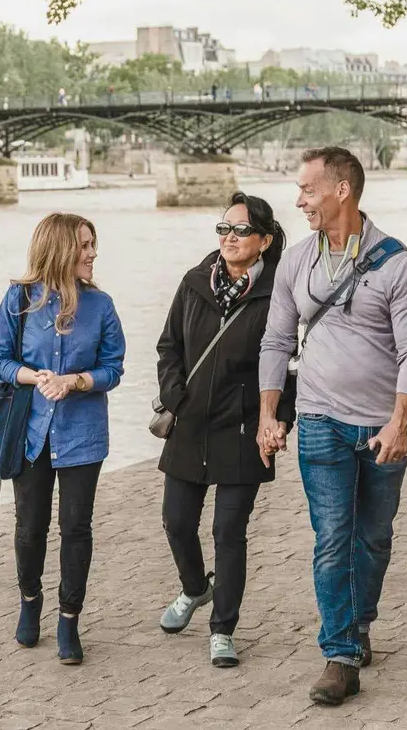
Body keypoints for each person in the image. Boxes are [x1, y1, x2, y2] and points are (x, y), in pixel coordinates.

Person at [258, 147, 407, 706]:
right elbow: (278, 341)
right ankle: (339, 653)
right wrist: (268, 415)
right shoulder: (297, 261)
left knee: (373, 539)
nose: (299, 200)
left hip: (383, 428)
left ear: (341, 191)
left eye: (307, 190)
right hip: (320, 421)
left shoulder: (397, 263)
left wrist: (400, 421)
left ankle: (358, 625)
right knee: (332, 538)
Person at [155, 192, 296, 668]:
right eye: (223, 229)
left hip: (243, 430)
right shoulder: (194, 282)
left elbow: (290, 366)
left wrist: (277, 420)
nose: (229, 238)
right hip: (190, 425)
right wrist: (175, 394)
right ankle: (195, 588)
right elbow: (168, 345)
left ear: (264, 240)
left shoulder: (280, 293)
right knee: (176, 521)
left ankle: (222, 629)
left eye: (239, 230)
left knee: (228, 533)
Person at [0, 212, 126, 665]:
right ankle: (29, 603)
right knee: (29, 528)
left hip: (83, 435)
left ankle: (69, 619)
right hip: (30, 432)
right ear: (61, 249)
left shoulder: (101, 307)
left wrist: (76, 381)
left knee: (76, 528)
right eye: (84, 245)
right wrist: (33, 376)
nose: (92, 254)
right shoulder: (18, 300)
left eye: (92, 244)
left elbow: (113, 368)